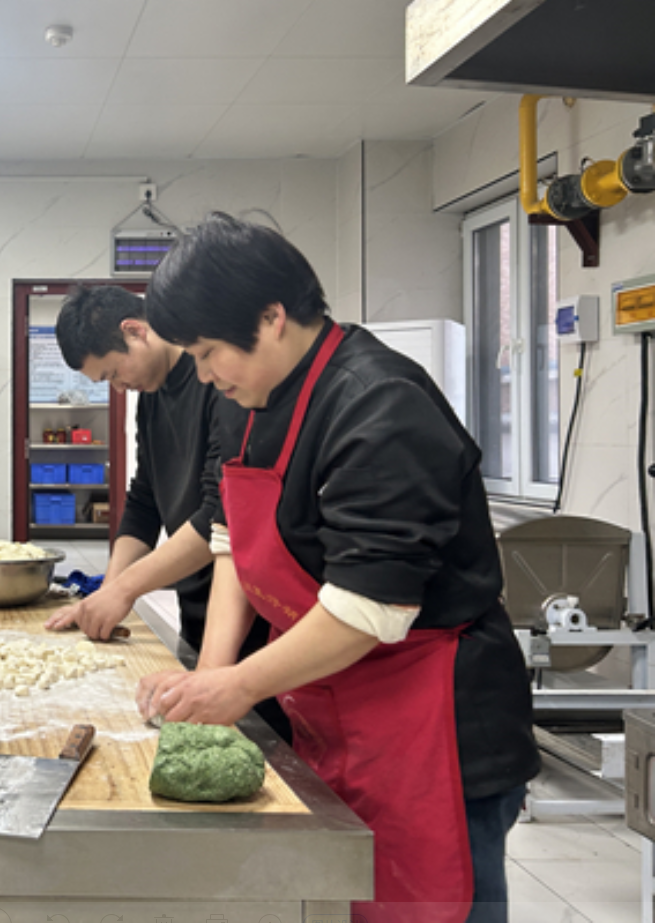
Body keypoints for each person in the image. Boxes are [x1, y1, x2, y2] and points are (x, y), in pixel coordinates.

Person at [136, 213, 538, 923]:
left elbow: (369, 606)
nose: (202, 374)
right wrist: (211, 674)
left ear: (272, 317)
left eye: (208, 352)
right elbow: (232, 539)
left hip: (435, 729)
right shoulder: (245, 401)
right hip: (331, 705)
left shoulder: (380, 403)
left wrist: (237, 685)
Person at [43, 285, 289, 741]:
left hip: (251, 614)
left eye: (114, 373)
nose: (119, 387)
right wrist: (110, 591)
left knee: (261, 744)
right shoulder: (152, 395)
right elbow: (144, 498)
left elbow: (221, 518)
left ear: (135, 331)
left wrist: (127, 590)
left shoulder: (220, 385)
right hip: (197, 604)